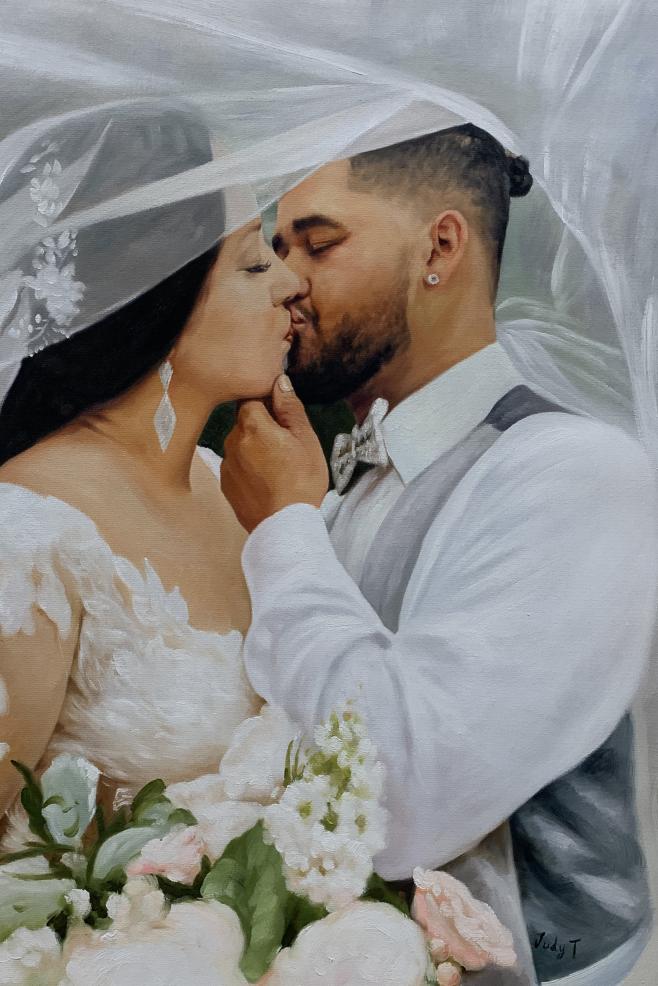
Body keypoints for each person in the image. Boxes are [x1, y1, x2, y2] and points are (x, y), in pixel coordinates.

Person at [0, 101, 299, 974]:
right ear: (156, 294)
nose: (291, 284)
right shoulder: (11, 550)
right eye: (254, 261)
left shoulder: (230, 489)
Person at [221, 125, 658, 986]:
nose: (285, 282)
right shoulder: (340, 483)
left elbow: (402, 797)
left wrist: (283, 528)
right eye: (273, 252)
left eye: (318, 243)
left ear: (441, 247)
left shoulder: (573, 472)